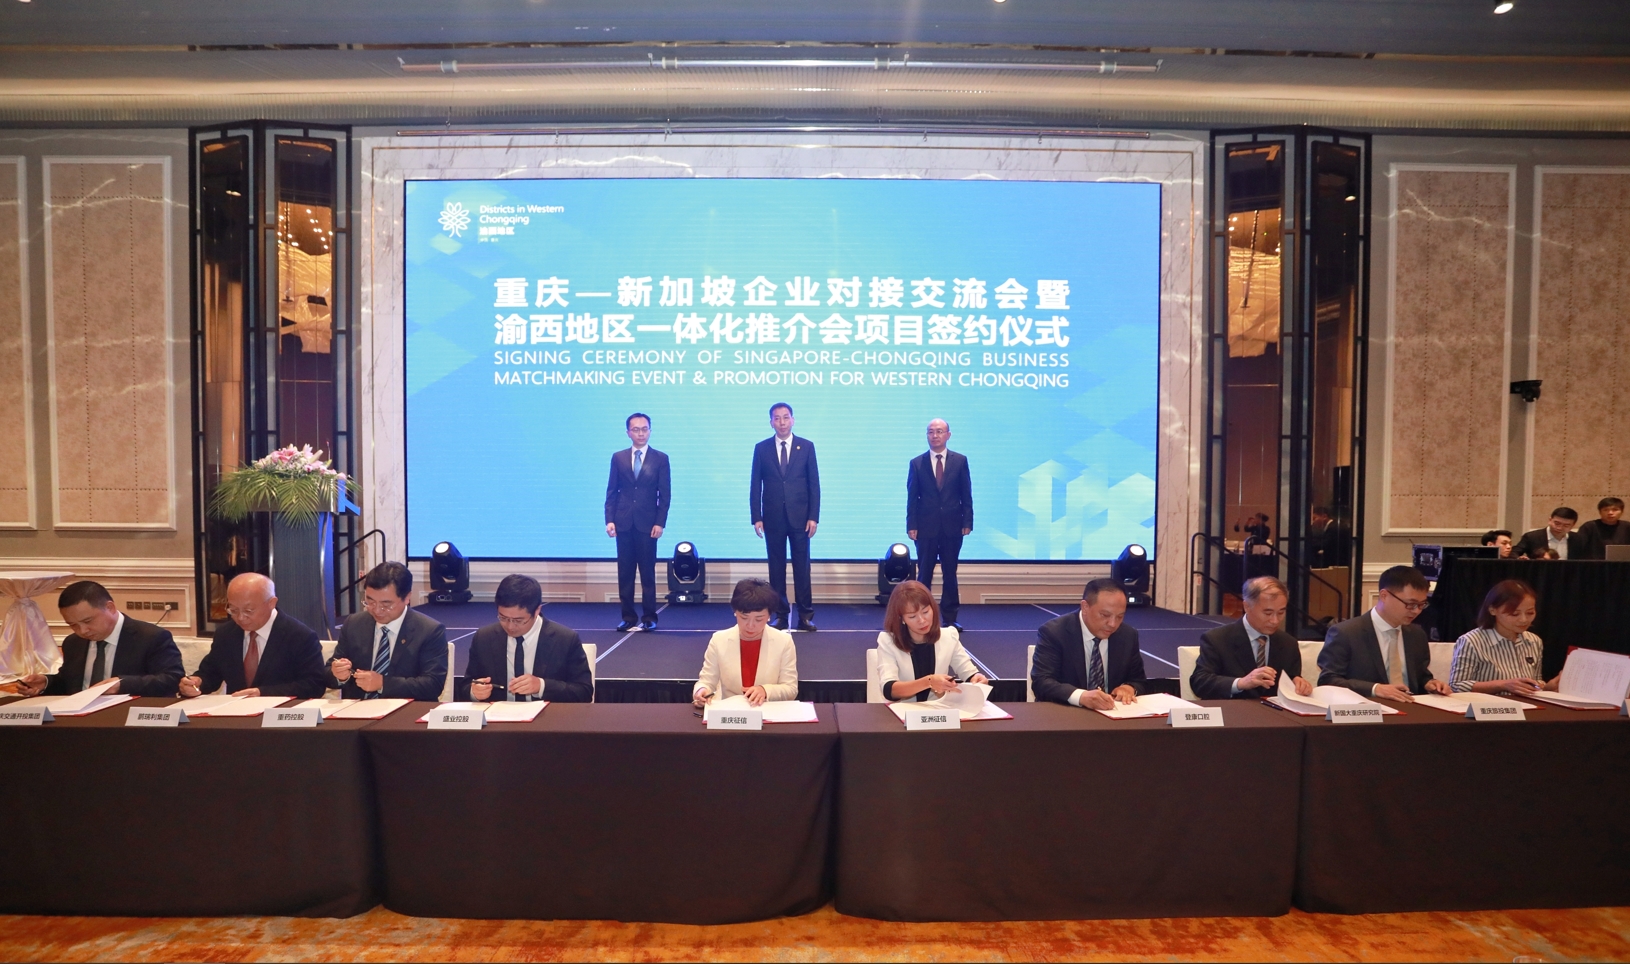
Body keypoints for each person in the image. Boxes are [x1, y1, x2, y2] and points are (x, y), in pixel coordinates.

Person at [14, 580, 183, 698]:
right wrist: (45, 683)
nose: (82, 631)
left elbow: (172, 680)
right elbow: (69, 683)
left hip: (127, 723)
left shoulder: (151, 637)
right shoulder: (73, 643)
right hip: (79, 723)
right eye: (73, 625)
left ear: (110, 607)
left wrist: (122, 684)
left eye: (88, 621)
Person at [179, 573, 325, 699]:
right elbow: (211, 673)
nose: (240, 618)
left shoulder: (299, 636)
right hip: (237, 716)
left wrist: (262, 693)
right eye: (233, 610)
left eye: (248, 611)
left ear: (272, 603)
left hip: (280, 716)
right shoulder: (226, 634)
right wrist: (197, 682)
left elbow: (314, 685)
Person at [1317, 565, 1451, 701]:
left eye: (1422, 605)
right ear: (1384, 596)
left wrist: (1430, 683)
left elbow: (1421, 676)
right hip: (1368, 707)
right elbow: (1328, 680)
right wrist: (1375, 689)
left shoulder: (1416, 634)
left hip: (1412, 706)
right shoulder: (1346, 633)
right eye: (1411, 604)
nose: (1416, 611)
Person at [324, 561, 448, 701]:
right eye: (370, 602)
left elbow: (432, 685)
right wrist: (338, 675)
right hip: (358, 709)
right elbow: (328, 674)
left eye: (386, 605)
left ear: (407, 598)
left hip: (406, 711)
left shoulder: (429, 630)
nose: (377, 610)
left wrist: (383, 684)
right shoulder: (354, 624)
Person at [466, 573, 593, 703]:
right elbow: (466, 685)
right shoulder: (484, 638)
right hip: (497, 715)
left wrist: (541, 686)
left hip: (548, 715)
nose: (510, 626)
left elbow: (584, 692)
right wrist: (474, 692)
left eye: (518, 620)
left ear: (537, 611)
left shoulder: (565, 640)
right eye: (503, 618)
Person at [749, 402, 820, 631]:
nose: (782, 422)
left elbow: (814, 484)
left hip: (801, 518)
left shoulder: (806, 447)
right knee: (776, 569)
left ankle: (805, 615)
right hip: (773, 518)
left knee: (802, 568)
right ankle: (780, 615)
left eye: (786, 417)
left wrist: (813, 516)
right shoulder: (762, 448)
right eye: (777, 418)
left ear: (793, 420)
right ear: (771, 422)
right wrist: (756, 516)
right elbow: (755, 484)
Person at [1189, 576, 1312, 700]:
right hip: (1232, 710)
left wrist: (1297, 684)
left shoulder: (1288, 643)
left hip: (1273, 711)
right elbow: (1200, 682)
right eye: (1268, 613)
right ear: (1247, 607)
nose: (1275, 620)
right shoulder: (1217, 639)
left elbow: (1291, 678)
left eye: (1280, 613)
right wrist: (1241, 683)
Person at [1031, 578, 1148, 709]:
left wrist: (1129, 688)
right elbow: (1042, 683)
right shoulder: (1055, 632)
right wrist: (1081, 697)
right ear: (1085, 607)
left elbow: (1139, 681)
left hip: (1113, 715)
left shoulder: (1128, 635)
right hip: (1066, 714)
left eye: (1120, 616)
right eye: (1105, 615)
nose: (1113, 624)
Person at [604, 412, 671, 631]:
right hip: (623, 522)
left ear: (650, 431)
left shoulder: (660, 458)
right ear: (628, 432)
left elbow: (665, 495)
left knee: (647, 573)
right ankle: (628, 617)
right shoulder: (618, 457)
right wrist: (609, 519)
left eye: (644, 429)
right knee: (625, 573)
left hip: (648, 524)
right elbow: (612, 491)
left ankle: (649, 617)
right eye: (636, 429)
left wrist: (660, 522)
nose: (641, 433)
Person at [906, 418, 973, 628]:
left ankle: (951, 619)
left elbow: (966, 493)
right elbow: (912, 497)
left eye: (939, 431)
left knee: (950, 573)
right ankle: (920, 616)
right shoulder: (917, 463)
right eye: (930, 432)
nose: (934, 435)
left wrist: (967, 521)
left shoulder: (960, 461)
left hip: (953, 526)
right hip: (926, 527)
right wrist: (911, 525)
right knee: (924, 573)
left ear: (948, 435)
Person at [875, 580, 987, 702]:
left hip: (938, 710)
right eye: (912, 616)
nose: (922, 620)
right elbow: (889, 689)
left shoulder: (948, 636)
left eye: (926, 612)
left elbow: (968, 672)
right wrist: (929, 682)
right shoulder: (888, 641)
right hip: (902, 710)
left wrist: (977, 678)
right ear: (901, 619)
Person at [693, 578, 798, 707]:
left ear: (769, 616)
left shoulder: (783, 641)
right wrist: (701, 690)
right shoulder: (719, 640)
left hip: (768, 711)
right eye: (744, 617)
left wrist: (765, 690)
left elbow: (791, 688)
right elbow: (707, 680)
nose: (750, 625)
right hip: (730, 713)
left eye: (759, 619)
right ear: (735, 612)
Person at [1448, 579, 1559, 696]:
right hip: (1487, 705)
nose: (1524, 620)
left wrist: (1547, 687)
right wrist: (1502, 685)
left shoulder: (1534, 641)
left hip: (1525, 704)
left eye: (1530, 613)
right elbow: (1457, 685)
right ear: (1492, 610)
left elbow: (1534, 682)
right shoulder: (1471, 641)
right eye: (1514, 614)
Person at [1512, 507, 1587, 560]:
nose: (1560, 528)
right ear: (1550, 520)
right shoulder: (1532, 537)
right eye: (1557, 523)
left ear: (1573, 525)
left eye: (1566, 525)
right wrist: (1519, 559)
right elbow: (1514, 553)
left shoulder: (1578, 539)